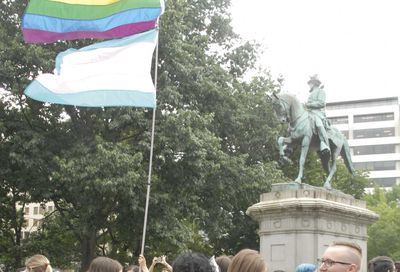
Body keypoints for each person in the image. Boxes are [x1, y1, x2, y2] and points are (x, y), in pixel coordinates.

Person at [305, 74, 330, 156]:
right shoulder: (311, 94)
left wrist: (310, 105)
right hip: (309, 113)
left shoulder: (321, 91)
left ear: (314, 83)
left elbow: (321, 103)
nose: (309, 85)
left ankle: (325, 143)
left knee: (318, 124)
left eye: (310, 83)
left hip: (318, 113)